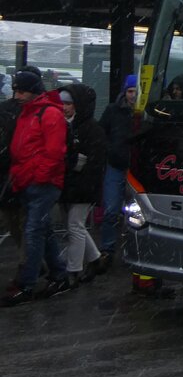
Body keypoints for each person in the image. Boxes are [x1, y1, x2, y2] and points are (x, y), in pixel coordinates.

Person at [1, 71, 70, 306]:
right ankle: (59, 275)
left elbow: (54, 152)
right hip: (31, 180)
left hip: (39, 183)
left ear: (34, 91)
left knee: (33, 231)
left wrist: (37, 176)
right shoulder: (34, 111)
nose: (17, 95)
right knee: (42, 229)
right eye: (16, 90)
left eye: (21, 91)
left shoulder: (47, 113)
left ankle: (26, 284)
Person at [58, 84, 106, 286]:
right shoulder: (73, 125)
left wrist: (72, 161)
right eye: (62, 103)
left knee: (74, 225)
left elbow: (93, 161)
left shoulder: (88, 129)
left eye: (68, 103)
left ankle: (74, 270)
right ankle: (94, 259)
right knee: (76, 225)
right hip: (75, 185)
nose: (64, 107)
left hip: (82, 186)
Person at [97, 74, 138, 271]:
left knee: (135, 213)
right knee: (111, 210)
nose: (133, 95)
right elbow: (101, 132)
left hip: (134, 168)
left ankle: (129, 249)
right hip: (117, 165)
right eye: (130, 91)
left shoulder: (142, 113)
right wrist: (109, 150)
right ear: (125, 92)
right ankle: (108, 249)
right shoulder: (114, 111)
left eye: (135, 91)